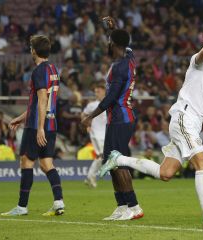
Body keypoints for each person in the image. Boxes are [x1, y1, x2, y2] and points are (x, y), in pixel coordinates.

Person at [100, 19, 203, 224]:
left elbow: (199, 94)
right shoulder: (199, 60)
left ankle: (119, 160)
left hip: (194, 122)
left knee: (165, 173)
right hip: (184, 120)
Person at [81, 16, 143, 221]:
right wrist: (113, 28)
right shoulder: (129, 58)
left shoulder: (119, 67)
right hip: (120, 118)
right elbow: (123, 42)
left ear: (113, 45)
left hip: (120, 117)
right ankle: (122, 205)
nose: (107, 43)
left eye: (109, 41)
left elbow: (110, 98)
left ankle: (132, 206)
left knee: (116, 162)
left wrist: (89, 117)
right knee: (112, 161)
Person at [1, 35, 64, 216]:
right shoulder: (54, 69)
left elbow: (42, 100)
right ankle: (58, 201)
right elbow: (41, 102)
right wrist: (21, 118)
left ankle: (21, 207)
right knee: (46, 164)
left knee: (26, 162)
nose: (30, 50)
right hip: (52, 123)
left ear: (34, 51)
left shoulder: (38, 72)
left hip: (38, 125)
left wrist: (40, 128)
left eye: (30, 47)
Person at [81, 83, 107, 188]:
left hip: (105, 133)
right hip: (96, 133)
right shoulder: (92, 105)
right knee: (101, 155)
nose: (97, 93)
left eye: (99, 91)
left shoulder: (108, 103)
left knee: (102, 156)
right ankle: (91, 177)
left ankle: (89, 177)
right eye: (95, 92)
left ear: (104, 91)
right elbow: (83, 114)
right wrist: (87, 125)